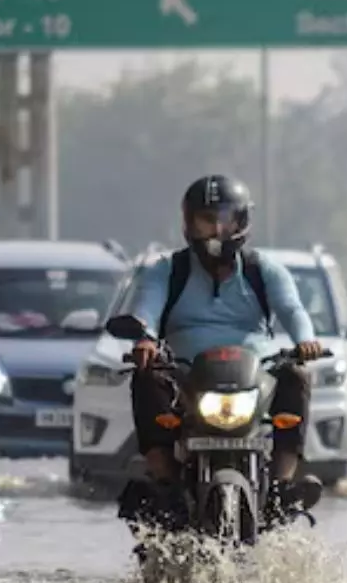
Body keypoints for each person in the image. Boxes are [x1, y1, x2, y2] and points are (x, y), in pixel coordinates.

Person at [120, 175, 325, 524]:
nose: (216, 229)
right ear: (189, 224)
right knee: (145, 377)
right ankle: (166, 483)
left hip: (255, 376)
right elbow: (146, 310)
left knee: (296, 374)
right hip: (185, 376)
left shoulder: (264, 270)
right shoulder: (167, 271)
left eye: (225, 219)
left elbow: (293, 310)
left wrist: (305, 340)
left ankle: (282, 484)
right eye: (205, 220)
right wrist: (145, 340)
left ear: (241, 222)